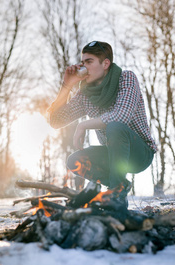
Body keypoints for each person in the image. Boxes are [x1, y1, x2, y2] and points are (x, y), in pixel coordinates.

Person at [48, 41, 157, 207]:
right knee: (74, 161)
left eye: (89, 62)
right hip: (113, 156)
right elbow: (56, 121)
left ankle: (116, 200)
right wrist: (67, 86)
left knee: (115, 127)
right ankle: (118, 188)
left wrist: (83, 125)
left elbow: (120, 117)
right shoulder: (86, 94)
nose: (83, 67)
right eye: (83, 62)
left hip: (140, 153)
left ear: (105, 63)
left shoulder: (126, 78)